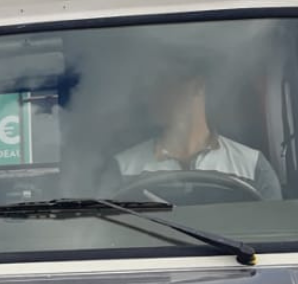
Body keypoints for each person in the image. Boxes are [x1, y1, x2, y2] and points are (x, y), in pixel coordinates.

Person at [113, 69, 282, 199]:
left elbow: (278, 237)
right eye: (149, 86)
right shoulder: (121, 169)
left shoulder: (253, 167)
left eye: (162, 82)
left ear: (198, 86)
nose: (151, 95)